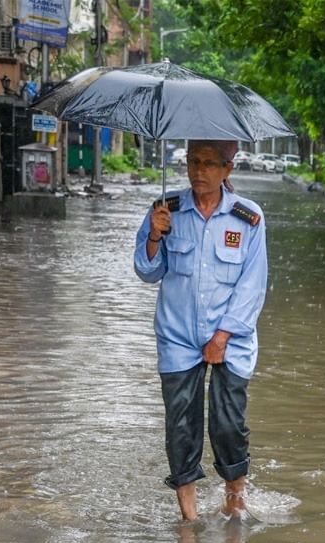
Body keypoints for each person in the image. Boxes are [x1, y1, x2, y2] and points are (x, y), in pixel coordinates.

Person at [134, 139, 267, 522]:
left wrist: (223, 336)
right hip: (177, 335)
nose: (198, 171)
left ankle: (234, 501)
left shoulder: (248, 217)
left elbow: (253, 285)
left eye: (209, 163)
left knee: (228, 423)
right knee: (180, 426)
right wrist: (155, 235)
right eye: (193, 161)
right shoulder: (166, 210)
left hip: (232, 338)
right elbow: (146, 271)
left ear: (228, 169)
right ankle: (189, 520)